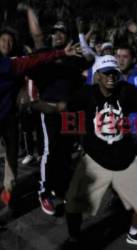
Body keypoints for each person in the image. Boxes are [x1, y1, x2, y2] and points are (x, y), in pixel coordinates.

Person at [53, 55, 137, 249]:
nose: (111, 77)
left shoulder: (126, 91)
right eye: (106, 73)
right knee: (72, 205)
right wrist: (38, 106)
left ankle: (134, 234)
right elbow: (62, 107)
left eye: (114, 73)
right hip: (95, 161)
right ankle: (74, 238)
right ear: (97, 76)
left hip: (126, 160)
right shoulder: (86, 94)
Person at [0, 41, 80, 205]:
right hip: (21, 115)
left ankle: (8, 192)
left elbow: (36, 59)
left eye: (9, 40)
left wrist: (62, 53)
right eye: (3, 40)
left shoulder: (10, 64)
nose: (6, 43)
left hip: (8, 119)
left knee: (12, 157)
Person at [27, 21, 94, 215]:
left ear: (68, 37)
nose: (57, 36)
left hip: (69, 110)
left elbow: (90, 59)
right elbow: (29, 68)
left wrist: (82, 38)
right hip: (49, 108)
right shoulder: (45, 54)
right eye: (54, 32)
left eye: (62, 33)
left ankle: (61, 187)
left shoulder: (75, 57)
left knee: (65, 152)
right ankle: (44, 192)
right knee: (49, 150)